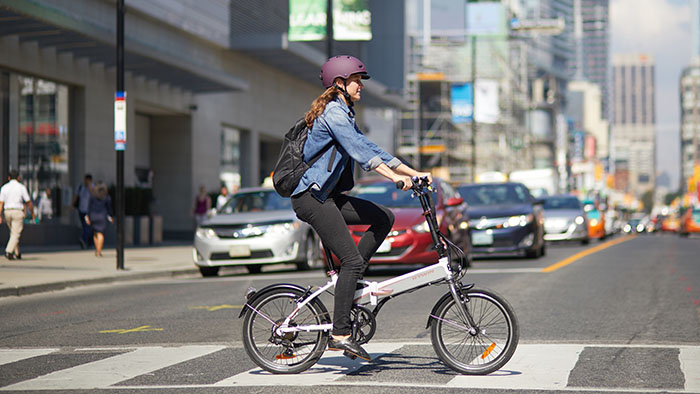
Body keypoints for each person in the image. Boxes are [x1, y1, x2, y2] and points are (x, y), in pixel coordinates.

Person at [290, 55, 432, 361]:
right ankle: (339, 334)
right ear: (339, 83)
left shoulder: (345, 113)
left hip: (327, 195)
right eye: (356, 80)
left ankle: (351, 282)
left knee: (384, 218)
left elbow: (372, 149)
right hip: (311, 198)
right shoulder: (333, 114)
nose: (361, 86)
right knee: (351, 260)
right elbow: (360, 154)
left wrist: (412, 173)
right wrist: (395, 178)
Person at [0, 170, 35, 260]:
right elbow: (28, 202)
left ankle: (17, 253)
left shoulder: (4, 187)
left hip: (7, 211)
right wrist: (32, 213)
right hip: (17, 211)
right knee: (16, 233)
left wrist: (0, 215)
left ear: (9, 178)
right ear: (18, 178)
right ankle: (8, 251)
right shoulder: (21, 187)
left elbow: (1, 203)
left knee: (13, 233)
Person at [85, 182, 113, 257]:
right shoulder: (106, 197)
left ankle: (97, 249)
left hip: (93, 216)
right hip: (102, 216)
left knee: (95, 233)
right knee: (100, 233)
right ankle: (98, 250)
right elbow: (109, 208)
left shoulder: (93, 196)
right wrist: (111, 216)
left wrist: (87, 216)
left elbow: (89, 207)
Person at [72, 174, 94, 249]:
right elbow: (76, 196)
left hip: (89, 211)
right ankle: (89, 242)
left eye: (87, 180)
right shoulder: (80, 187)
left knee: (87, 226)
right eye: (85, 180)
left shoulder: (92, 187)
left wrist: (90, 186)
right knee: (86, 226)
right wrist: (72, 205)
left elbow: (94, 195)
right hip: (81, 210)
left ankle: (84, 240)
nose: (85, 181)